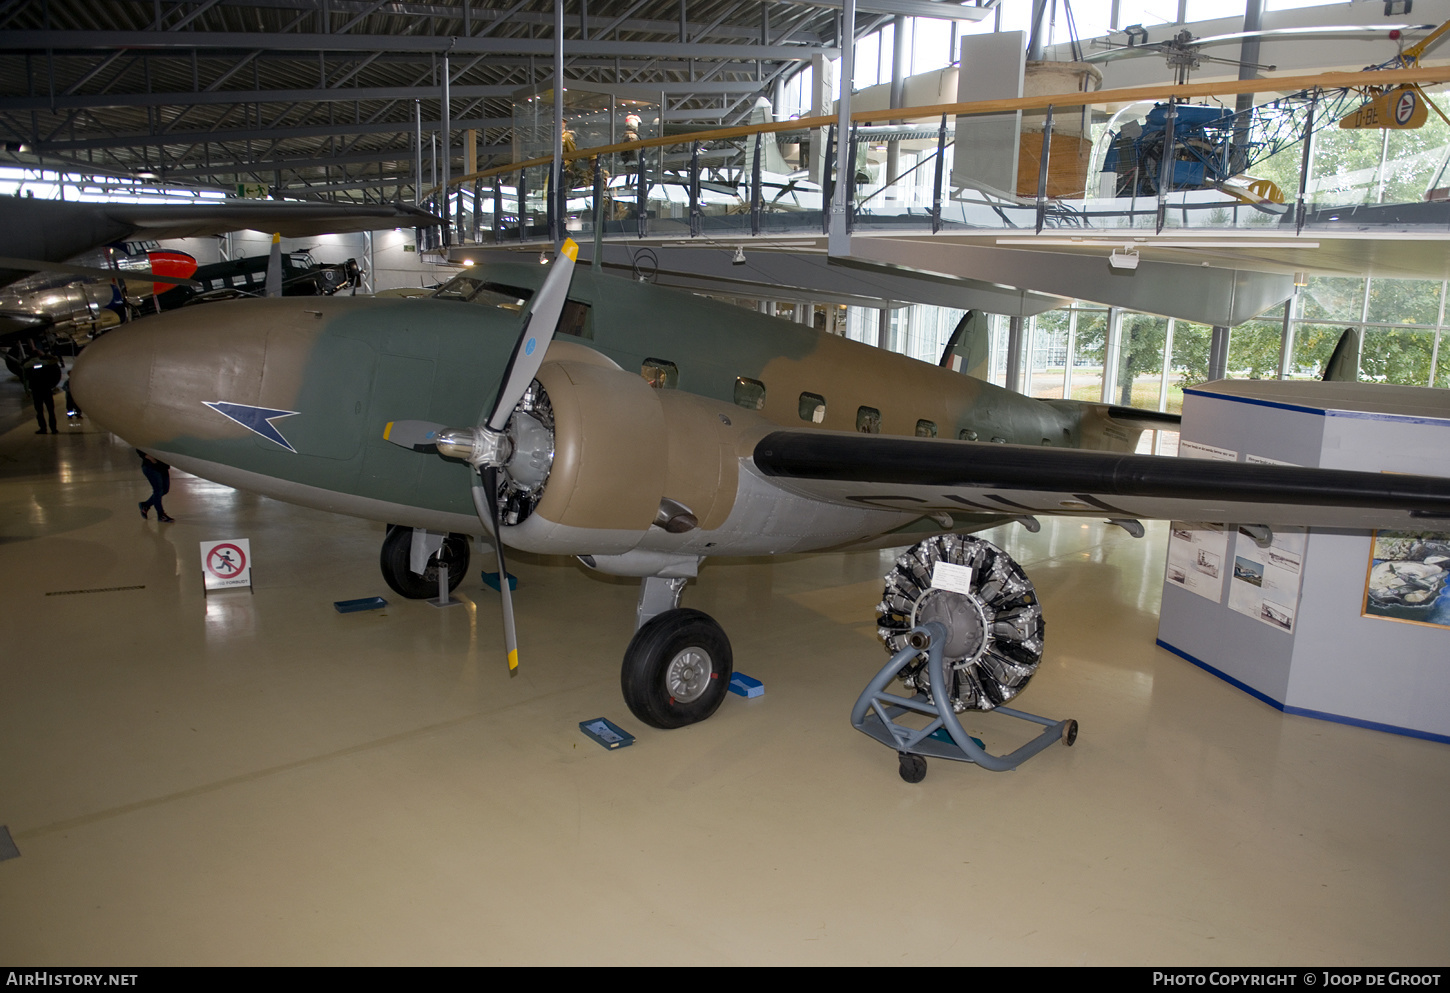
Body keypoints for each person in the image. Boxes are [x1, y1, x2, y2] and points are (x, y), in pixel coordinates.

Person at [23, 348, 63, 434]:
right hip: (46, 389)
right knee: (51, 410)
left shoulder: (27, 365)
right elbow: (55, 359)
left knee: (39, 411)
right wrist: (45, 355)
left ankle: (43, 429)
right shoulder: (45, 363)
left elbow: (25, 379)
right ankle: (53, 429)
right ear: (39, 355)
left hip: (36, 390)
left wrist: (27, 391)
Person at [137, 449, 174, 522]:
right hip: (151, 466)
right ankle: (161, 515)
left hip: (163, 466)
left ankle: (146, 505)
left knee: (165, 490)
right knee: (158, 491)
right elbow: (138, 447)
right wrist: (149, 457)